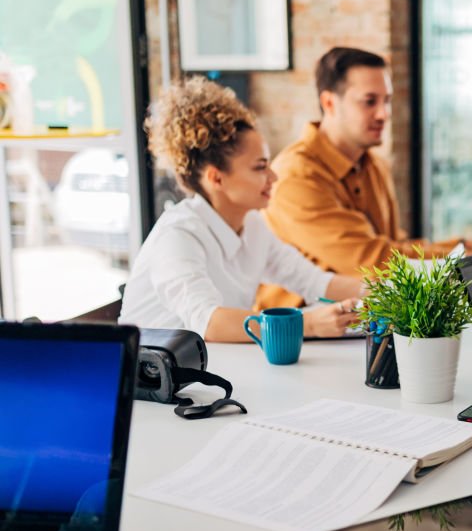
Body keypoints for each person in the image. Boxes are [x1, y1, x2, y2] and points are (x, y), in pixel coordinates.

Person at [257, 47, 472, 309]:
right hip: (305, 332)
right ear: (329, 103)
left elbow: (393, 247)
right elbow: (373, 261)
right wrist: (463, 257)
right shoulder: (295, 176)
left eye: (387, 100)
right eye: (370, 101)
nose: (384, 114)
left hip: (366, 319)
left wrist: (465, 246)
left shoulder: (373, 165)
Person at [119, 77, 362, 342]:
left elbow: (315, 282)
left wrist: (391, 290)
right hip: (152, 377)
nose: (274, 177)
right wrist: (308, 324)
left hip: (215, 365)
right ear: (216, 178)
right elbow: (210, 322)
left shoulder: (253, 226)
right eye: (260, 167)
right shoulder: (178, 235)